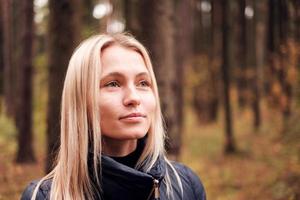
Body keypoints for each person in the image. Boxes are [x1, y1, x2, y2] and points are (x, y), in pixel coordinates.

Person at [21, 33, 206, 200]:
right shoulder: (45, 196)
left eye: (143, 83)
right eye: (113, 84)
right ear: (80, 100)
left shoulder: (185, 185)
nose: (134, 98)